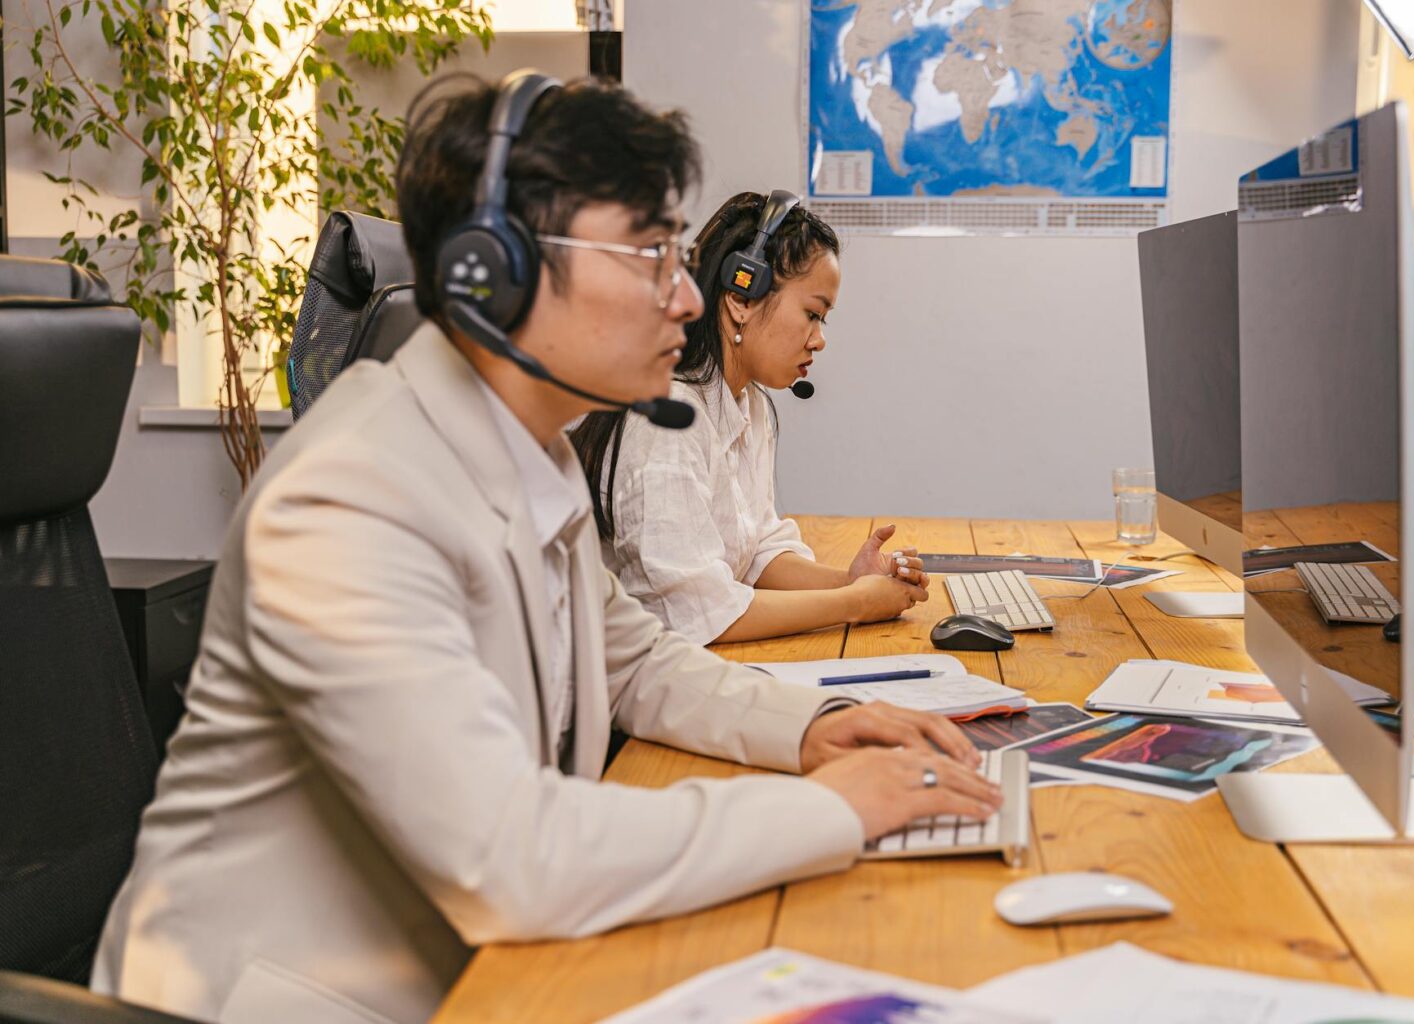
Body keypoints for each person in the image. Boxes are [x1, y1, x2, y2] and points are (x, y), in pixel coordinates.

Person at [89, 73, 999, 1024]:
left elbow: (639, 660)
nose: (689, 298)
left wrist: (812, 729)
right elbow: (507, 858)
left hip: (476, 965)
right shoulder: (348, 495)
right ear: (497, 271)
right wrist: (837, 810)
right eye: (651, 256)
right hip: (290, 1000)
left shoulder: (536, 449)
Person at [570, 192, 930, 645]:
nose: (820, 340)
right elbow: (700, 615)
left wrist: (852, 581)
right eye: (812, 314)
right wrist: (857, 603)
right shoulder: (666, 421)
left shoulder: (748, 404)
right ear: (742, 296)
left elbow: (758, 553)